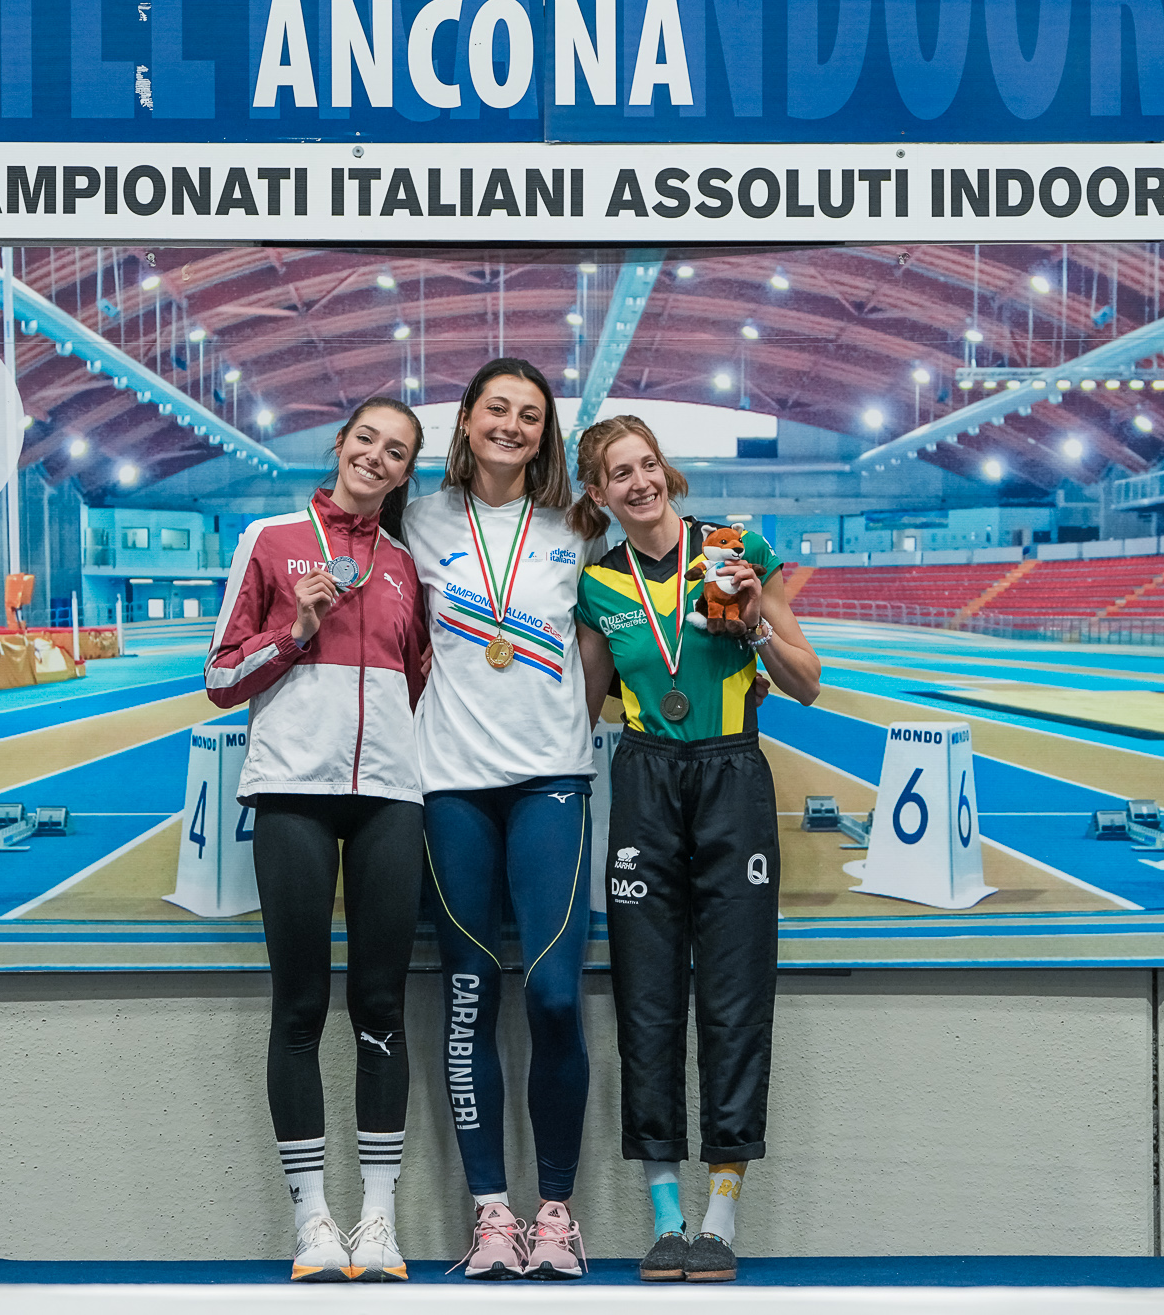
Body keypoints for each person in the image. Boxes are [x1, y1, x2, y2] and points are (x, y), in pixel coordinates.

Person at [570, 414, 821, 1284]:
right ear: (599, 493)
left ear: (666, 471)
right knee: (645, 998)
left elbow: (807, 681)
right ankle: (666, 1215)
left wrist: (753, 624)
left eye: (647, 464)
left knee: (734, 994)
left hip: (732, 774)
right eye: (619, 473)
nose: (639, 481)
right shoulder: (598, 583)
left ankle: (720, 1216)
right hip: (643, 780)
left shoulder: (735, 549)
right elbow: (584, 706)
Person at [205, 398, 431, 1283]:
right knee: (299, 1008)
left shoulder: (403, 562)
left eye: (397, 451)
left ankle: (378, 1219)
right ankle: (312, 1220)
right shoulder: (269, 539)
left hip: (389, 798)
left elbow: (416, 679)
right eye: (367, 439)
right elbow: (221, 675)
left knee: (381, 1008)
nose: (378, 456)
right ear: (340, 445)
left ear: (407, 472)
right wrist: (295, 631)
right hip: (294, 791)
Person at [401, 357, 600, 1279]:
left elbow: (606, 639)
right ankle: (491, 1212)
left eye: (529, 414)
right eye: (497, 409)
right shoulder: (419, 519)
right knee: (469, 993)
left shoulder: (577, 526)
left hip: (551, 780)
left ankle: (555, 1211)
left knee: (554, 993)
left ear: (545, 433)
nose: (512, 425)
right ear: (468, 421)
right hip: (451, 785)